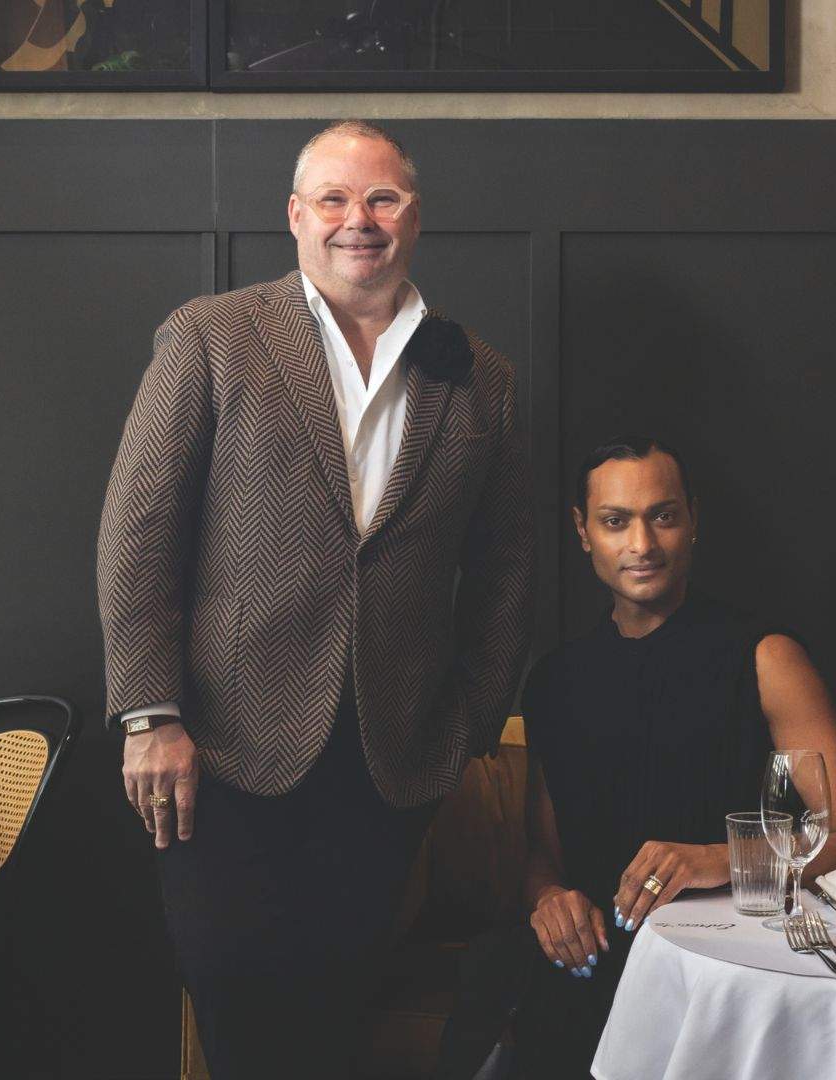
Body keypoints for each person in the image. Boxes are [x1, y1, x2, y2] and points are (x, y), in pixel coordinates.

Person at [96, 120, 533, 1078]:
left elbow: (506, 571)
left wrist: (469, 725)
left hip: (391, 764)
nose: (357, 220)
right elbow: (138, 531)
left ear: (414, 217)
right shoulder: (213, 335)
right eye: (333, 199)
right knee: (241, 1014)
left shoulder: (481, 378)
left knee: (337, 1022)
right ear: (295, 216)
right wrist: (151, 715)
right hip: (217, 754)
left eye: (382, 199)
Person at [436, 436, 836, 1079]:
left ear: (693, 520)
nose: (643, 544)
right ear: (583, 532)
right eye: (615, 521)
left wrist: (722, 859)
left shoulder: (766, 658)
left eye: (663, 516)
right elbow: (545, 855)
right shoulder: (553, 683)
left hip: (725, 959)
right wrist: (549, 900)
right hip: (595, 958)